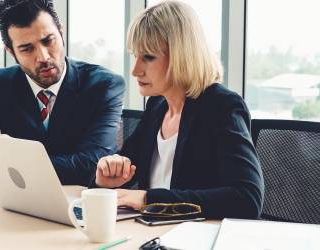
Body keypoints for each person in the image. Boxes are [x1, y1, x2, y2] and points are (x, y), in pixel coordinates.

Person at [92, 0, 264, 219]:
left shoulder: (222, 106)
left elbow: (247, 199)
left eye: (149, 57)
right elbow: (122, 165)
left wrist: (149, 200)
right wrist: (105, 178)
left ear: (181, 55)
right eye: (136, 55)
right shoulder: (157, 106)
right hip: (151, 233)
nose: (135, 70)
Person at [0, 0, 125, 185]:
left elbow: (89, 164)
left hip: (78, 204)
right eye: (27, 49)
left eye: (48, 40)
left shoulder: (103, 86)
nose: (43, 57)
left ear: (61, 32)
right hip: (18, 203)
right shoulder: (0, 85)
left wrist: (0, 159)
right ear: (11, 51)